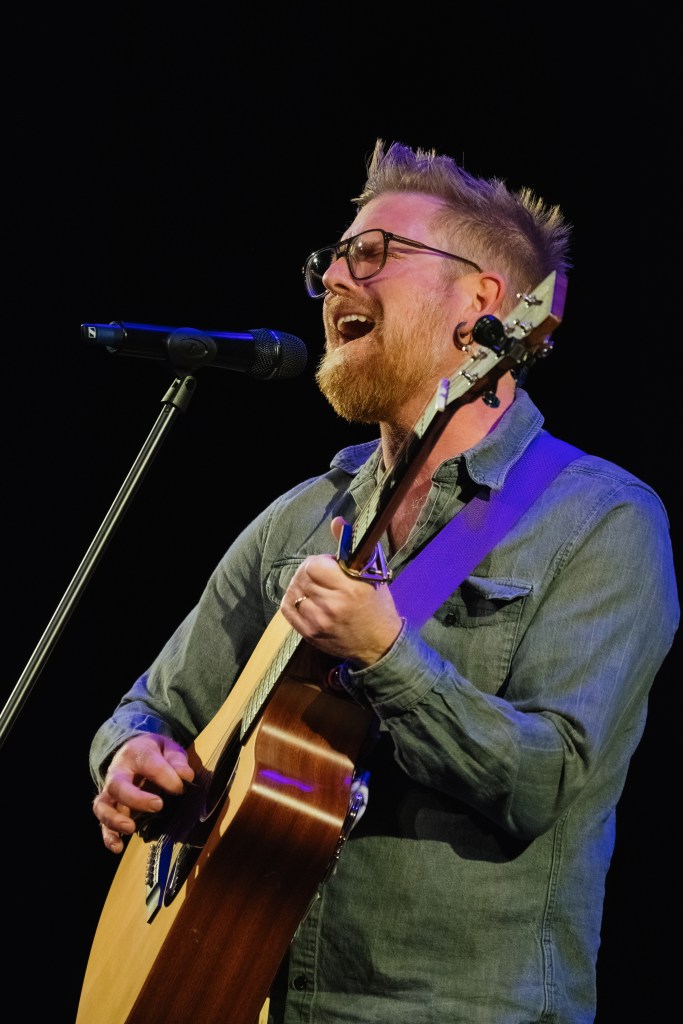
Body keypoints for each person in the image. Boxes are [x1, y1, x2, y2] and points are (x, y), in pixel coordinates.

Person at [88, 139, 679, 1024]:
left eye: (372, 254)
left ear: (481, 304)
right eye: (331, 261)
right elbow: (152, 706)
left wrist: (386, 655)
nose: (334, 279)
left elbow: (545, 780)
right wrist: (130, 756)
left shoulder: (599, 519)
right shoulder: (300, 517)